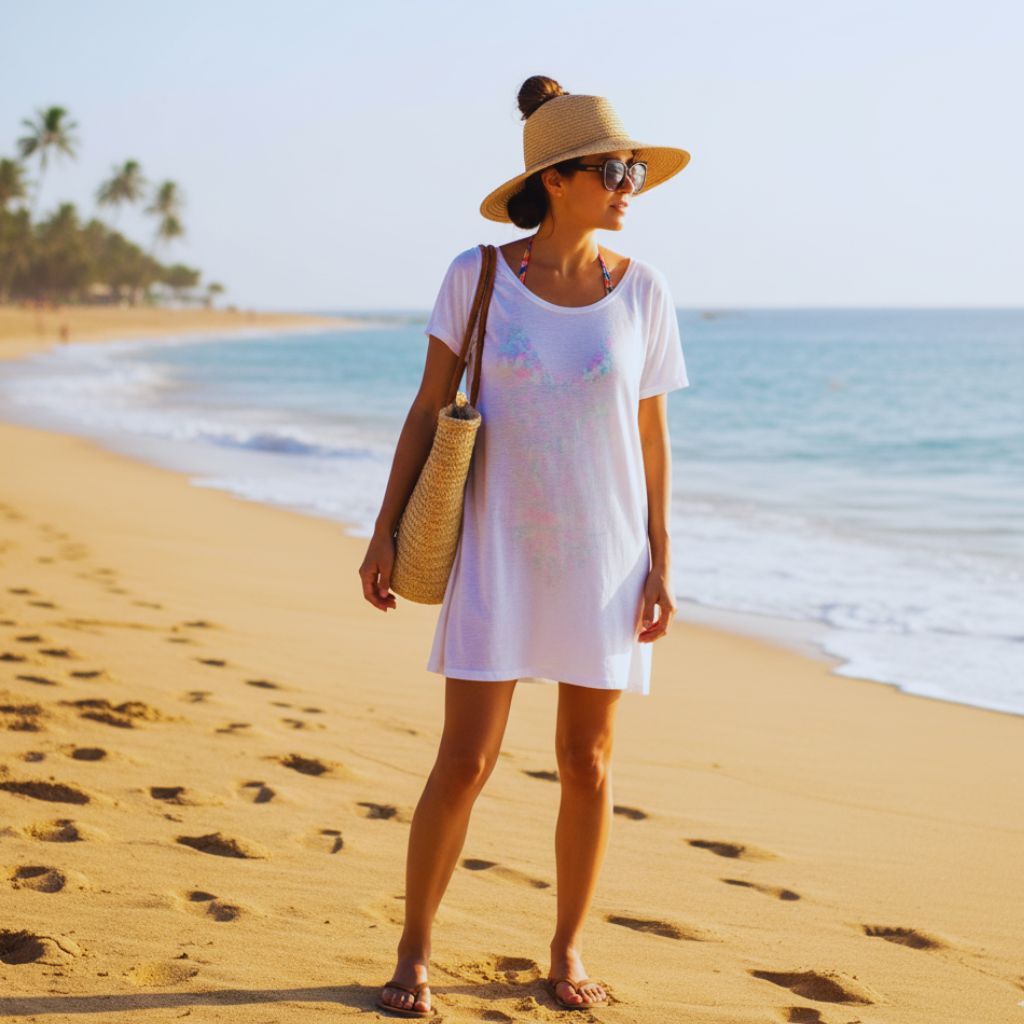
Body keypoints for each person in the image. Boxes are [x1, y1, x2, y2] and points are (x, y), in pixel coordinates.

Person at [359, 75, 691, 1017]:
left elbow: (653, 440)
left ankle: (568, 947)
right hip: (497, 554)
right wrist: (383, 532)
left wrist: (663, 559)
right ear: (555, 179)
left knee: (588, 763)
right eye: (614, 170)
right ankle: (416, 948)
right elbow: (427, 410)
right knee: (465, 760)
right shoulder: (477, 278)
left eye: (634, 169)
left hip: (605, 558)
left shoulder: (646, 292)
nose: (631, 184)